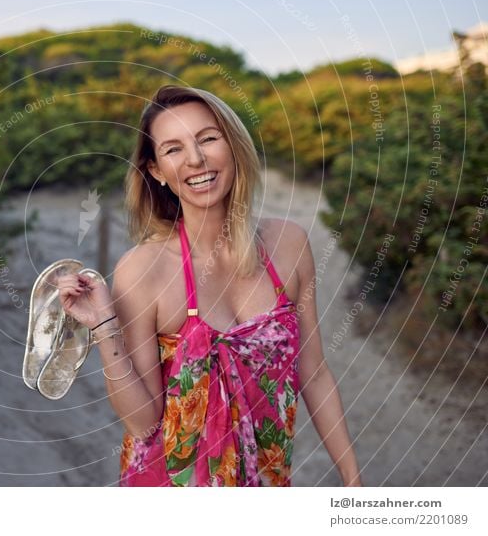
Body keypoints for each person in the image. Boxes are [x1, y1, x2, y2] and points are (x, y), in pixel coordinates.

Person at [57, 84, 361, 487]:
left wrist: (354, 483)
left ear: (233, 145)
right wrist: (102, 325)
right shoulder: (143, 269)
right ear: (156, 171)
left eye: (208, 138)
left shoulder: (288, 246)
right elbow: (142, 422)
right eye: (173, 149)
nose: (196, 159)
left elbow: (315, 372)